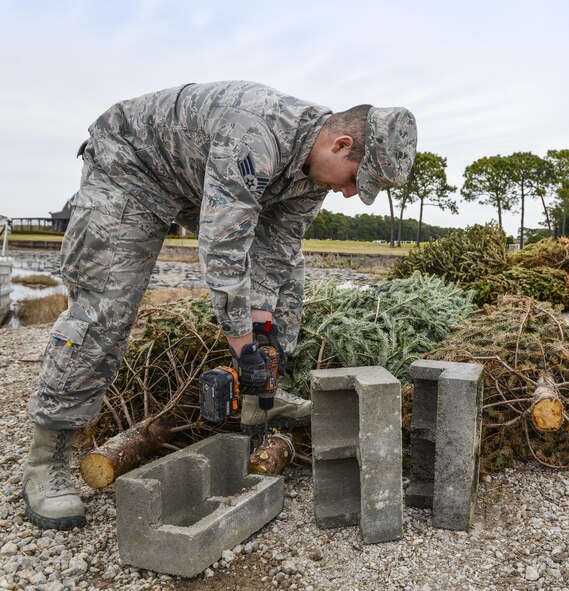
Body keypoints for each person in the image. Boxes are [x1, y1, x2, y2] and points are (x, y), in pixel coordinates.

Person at [22, 81, 418, 530]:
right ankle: (46, 461)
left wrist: (264, 343)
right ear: (340, 144)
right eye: (353, 180)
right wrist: (242, 346)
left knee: (289, 275)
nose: (348, 193)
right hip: (132, 169)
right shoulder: (254, 134)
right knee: (105, 311)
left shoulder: (313, 175)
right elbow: (224, 246)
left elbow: (275, 251)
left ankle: (258, 401)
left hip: (195, 180)